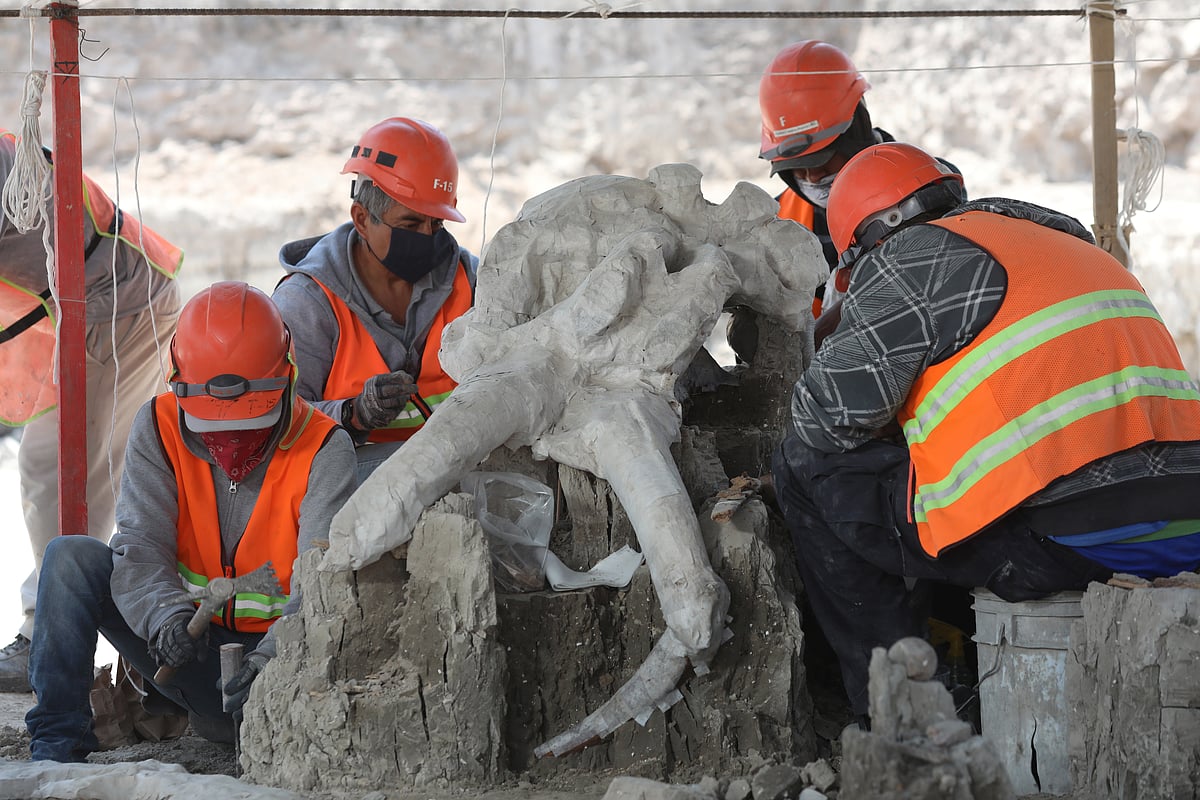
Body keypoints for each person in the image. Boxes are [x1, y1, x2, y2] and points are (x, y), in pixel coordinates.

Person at [771, 142, 1200, 726]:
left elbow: (826, 416)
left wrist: (846, 316)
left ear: (864, 241)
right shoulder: (1056, 243)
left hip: (1071, 539)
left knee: (804, 461)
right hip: (1186, 526)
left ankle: (902, 714)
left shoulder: (908, 260)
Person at [24, 281, 357, 762]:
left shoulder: (325, 449)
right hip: (188, 653)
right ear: (178, 386)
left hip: (281, 664)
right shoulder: (158, 426)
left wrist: (269, 665)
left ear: (286, 381)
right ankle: (56, 747)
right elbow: (140, 545)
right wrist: (165, 619)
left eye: (249, 424)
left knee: (280, 660)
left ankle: (239, 719)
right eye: (215, 428)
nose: (231, 443)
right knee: (70, 558)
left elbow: (322, 594)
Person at [0, 128, 183, 693]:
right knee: (59, 469)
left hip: (118, 302)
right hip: (72, 301)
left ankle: (49, 638)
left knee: (58, 466)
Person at [272, 117, 478, 482]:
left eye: (437, 224)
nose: (428, 238)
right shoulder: (308, 304)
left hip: (464, 475)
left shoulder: (470, 279)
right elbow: (279, 425)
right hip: (352, 491)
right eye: (411, 225)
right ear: (363, 219)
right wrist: (353, 414)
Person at [745, 40, 962, 355]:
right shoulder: (781, 222)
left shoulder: (930, 190)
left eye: (819, 162)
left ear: (856, 129)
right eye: (797, 170)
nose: (811, 179)